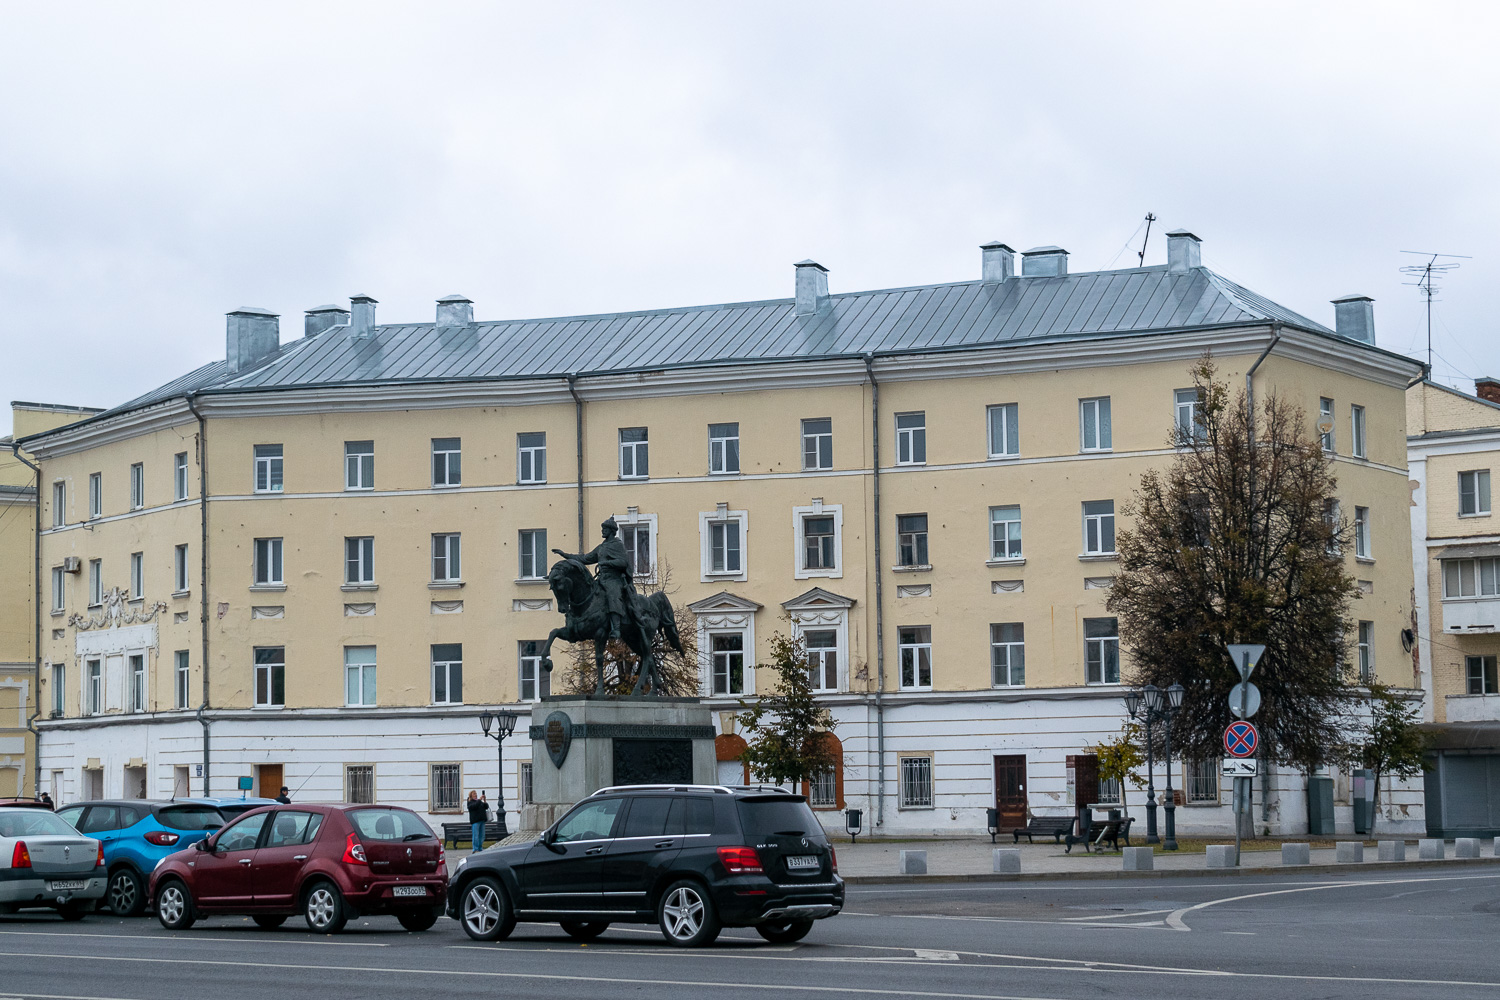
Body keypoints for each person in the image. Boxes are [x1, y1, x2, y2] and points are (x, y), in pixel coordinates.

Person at [554, 516, 636, 640]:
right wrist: (565, 555)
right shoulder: (601, 547)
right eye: (602, 528)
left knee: (612, 595)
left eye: (605, 529)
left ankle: (616, 629)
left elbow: (623, 562)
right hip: (602, 579)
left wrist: (607, 563)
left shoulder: (617, 545)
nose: (602, 531)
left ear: (611, 531)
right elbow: (585, 559)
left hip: (614, 580)